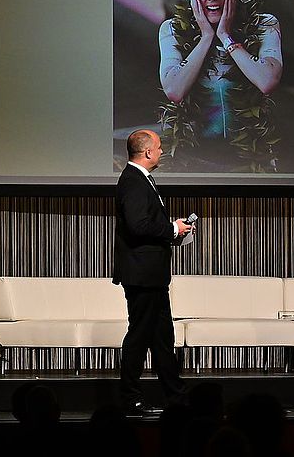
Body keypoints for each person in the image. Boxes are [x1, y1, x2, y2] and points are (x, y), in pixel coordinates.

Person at [157, 0, 283, 172]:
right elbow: (174, 90)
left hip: (248, 160)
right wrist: (206, 38)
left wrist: (225, 37)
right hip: (192, 161)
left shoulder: (265, 24)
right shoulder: (171, 29)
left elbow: (267, 82)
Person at [113, 129, 194, 414]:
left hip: (152, 276)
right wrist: (172, 228)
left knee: (162, 338)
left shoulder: (141, 180)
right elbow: (138, 226)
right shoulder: (134, 182)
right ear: (147, 152)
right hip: (142, 275)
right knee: (139, 337)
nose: (162, 152)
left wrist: (172, 228)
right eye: (159, 147)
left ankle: (177, 398)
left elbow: (146, 223)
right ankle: (130, 398)